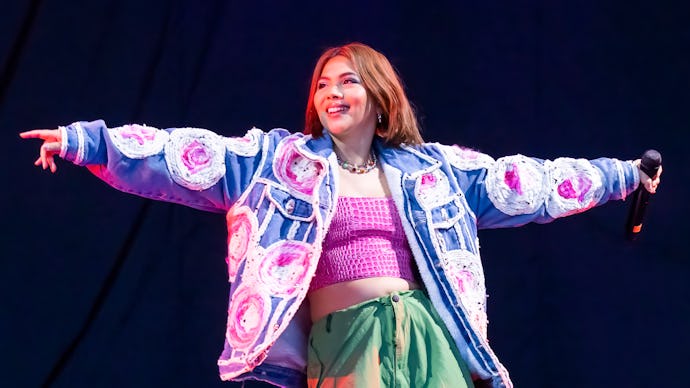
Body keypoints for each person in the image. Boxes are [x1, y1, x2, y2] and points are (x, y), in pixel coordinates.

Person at [20, 42, 661, 388]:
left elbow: (531, 183)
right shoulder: (279, 163)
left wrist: (624, 176)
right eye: (324, 83)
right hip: (344, 346)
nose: (333, 92)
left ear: (379, 98)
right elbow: (187, 155)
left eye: (348, 81)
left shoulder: (430, 171)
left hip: (427, 338)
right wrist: (87, 142)